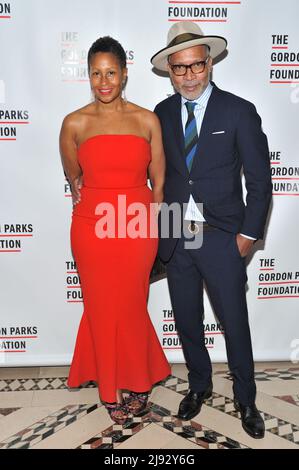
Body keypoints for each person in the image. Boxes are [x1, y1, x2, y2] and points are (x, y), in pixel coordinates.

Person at [151, 22, 272, 439]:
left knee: (234, 322)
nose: (188, 76)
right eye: (179, 68)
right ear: (170, 69)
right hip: (176, 236)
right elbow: (156, 176)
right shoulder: (162, 114)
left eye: (196, 66)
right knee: (187, 319)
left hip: (222, 235)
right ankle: (199, 385)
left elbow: (260, 181)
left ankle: (246, 399)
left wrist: (247, 234)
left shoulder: (239, 110)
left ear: (210, 63)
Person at [60, 36, 170, 425]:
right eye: (95, 73)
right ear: (88, 76)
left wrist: (152, 227)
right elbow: (74, 177)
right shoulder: (75, 123)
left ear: (125, 73)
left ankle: (138, 380)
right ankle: (110, 389)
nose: (103, 81)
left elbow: (158, 183)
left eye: (111, 72)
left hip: (138, 228)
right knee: (102, 308)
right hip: (92, 231)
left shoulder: (146, 120)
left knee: (131, 304)